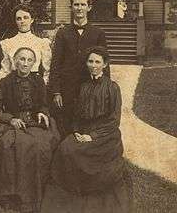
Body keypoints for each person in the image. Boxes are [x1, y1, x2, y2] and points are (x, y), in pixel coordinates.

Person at [42, 46, 132, 213]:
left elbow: (114, 120)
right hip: (83, 130)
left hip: (105, 134)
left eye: (98, 61)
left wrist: (93, 136)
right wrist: (77, 131)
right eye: (90, 61)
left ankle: (90, 190)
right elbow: (78, 115)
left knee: (83, 154)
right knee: (65, 148)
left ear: (105, 64)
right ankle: (72, 192)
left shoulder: (113, 87)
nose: (93, 65)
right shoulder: (84, 86)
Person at [0, 47, 60, 213]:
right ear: (14, 61)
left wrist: (43, 112)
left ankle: (37, 194)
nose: (25, 63)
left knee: (41, 145)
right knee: (14, 145)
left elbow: (43, 104)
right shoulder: (5, 82)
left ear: (34, 63)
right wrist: (11, 119)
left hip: (35, 122)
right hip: (13, 123)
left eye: (29, 60)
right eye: (22, 59)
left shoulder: (38, 81)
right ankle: (14, 195)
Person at [49, 0, 109, 137]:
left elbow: (104, 64)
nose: (79, 8)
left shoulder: (98, 33)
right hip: (67, 89)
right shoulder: (63, 33)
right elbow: (55, 63)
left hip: (89, 87)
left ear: (89, 7)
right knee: (66, 126)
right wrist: (56, 92)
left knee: (87, 123)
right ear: (71, 7)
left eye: (83, 4)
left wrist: (105, 88)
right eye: (76, 4)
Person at [0, 4, 52, 90]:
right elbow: (5, 69)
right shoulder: (7, 43)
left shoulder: (42, 43)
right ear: (15, 21)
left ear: (32, 20)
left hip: (35, 86)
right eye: (19, 19)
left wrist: (42, 86)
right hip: (13, 87)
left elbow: (48, 70)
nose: (22, 21)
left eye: (25, 17)